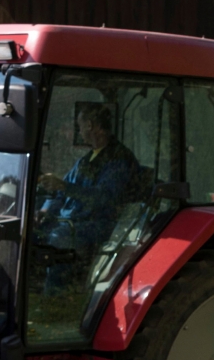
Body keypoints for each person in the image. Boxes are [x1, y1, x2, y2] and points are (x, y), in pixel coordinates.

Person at [35, 102, 140, 253]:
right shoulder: (84, 161)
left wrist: (64, 187)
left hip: (98, 224)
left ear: (89, 125)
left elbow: (103, 197)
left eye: (80, 126)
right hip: (72, 221)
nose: (79, 131)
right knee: (30, 232)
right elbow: (60, 192)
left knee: (58, 237)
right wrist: (45, 211)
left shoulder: (119, 160)